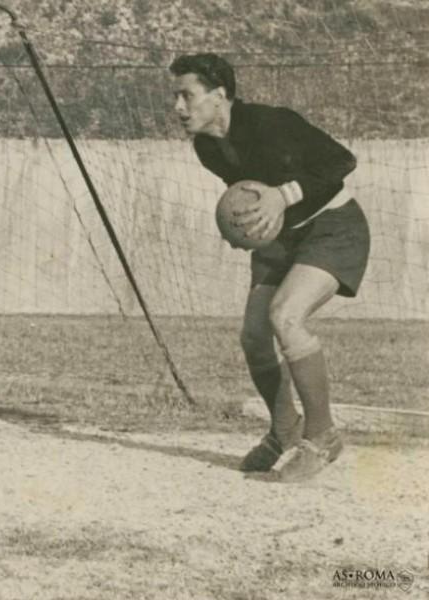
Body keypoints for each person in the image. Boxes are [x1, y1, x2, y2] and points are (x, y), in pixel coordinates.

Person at [169, 53, 370, 482]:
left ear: (220, 96)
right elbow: (247, 194)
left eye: (186, 95)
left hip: (333, 227)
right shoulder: (207, 148)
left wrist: (283, 194)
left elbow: (341, 162)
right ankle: (284, 430)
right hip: (283, 239)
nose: (178, 108)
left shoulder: (270, 123)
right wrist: (244, 227)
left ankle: (322, 436)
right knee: (255, 337)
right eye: (176, 97)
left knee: (286, 315)